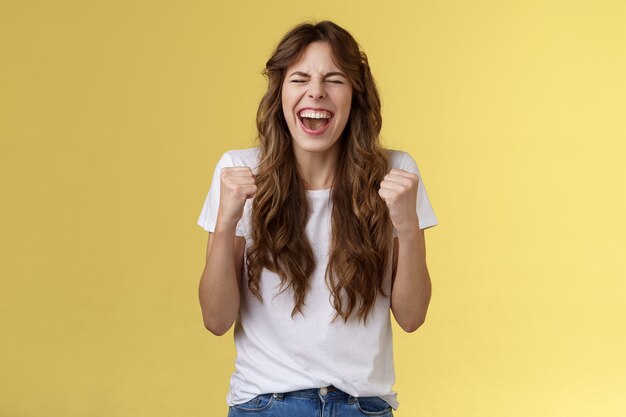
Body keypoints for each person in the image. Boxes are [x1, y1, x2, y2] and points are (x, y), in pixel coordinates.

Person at [197, 20, 438, 417]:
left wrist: (407, 228)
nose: (316, 92)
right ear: (280, 93)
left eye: (334, 79)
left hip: (363, 407)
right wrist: (225, 224)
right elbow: (216, 319)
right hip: (266, 404)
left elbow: (412, 317)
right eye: (300, 78)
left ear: (355, 95)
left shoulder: (396, 174)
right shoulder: (238, 171)